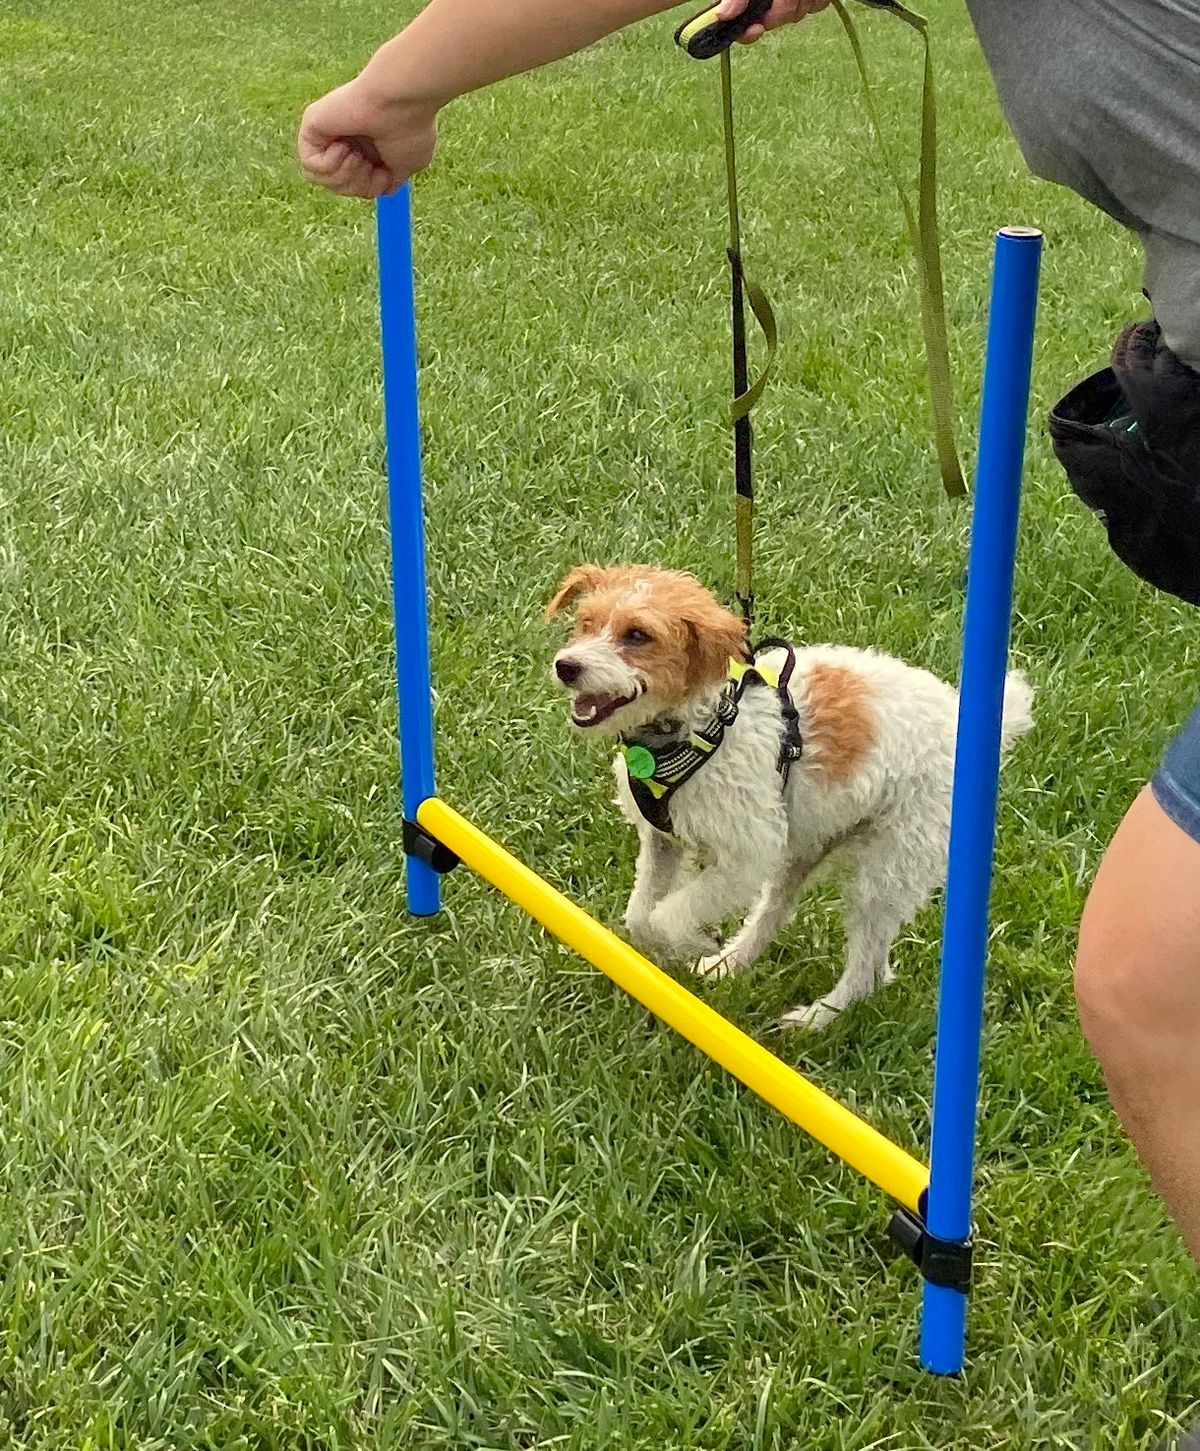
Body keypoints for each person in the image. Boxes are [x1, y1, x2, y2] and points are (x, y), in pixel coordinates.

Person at [297, 0, 1200, 1270]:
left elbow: (755, 838)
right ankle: (728, 940)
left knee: (825, 879)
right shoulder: (657, 742)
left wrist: (399, 85)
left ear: (704, 657)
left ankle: (852, 979)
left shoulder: (725, 706)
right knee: (1122, 973)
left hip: (906, 754)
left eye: (628, 644)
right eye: (586, 631)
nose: (583, 660)